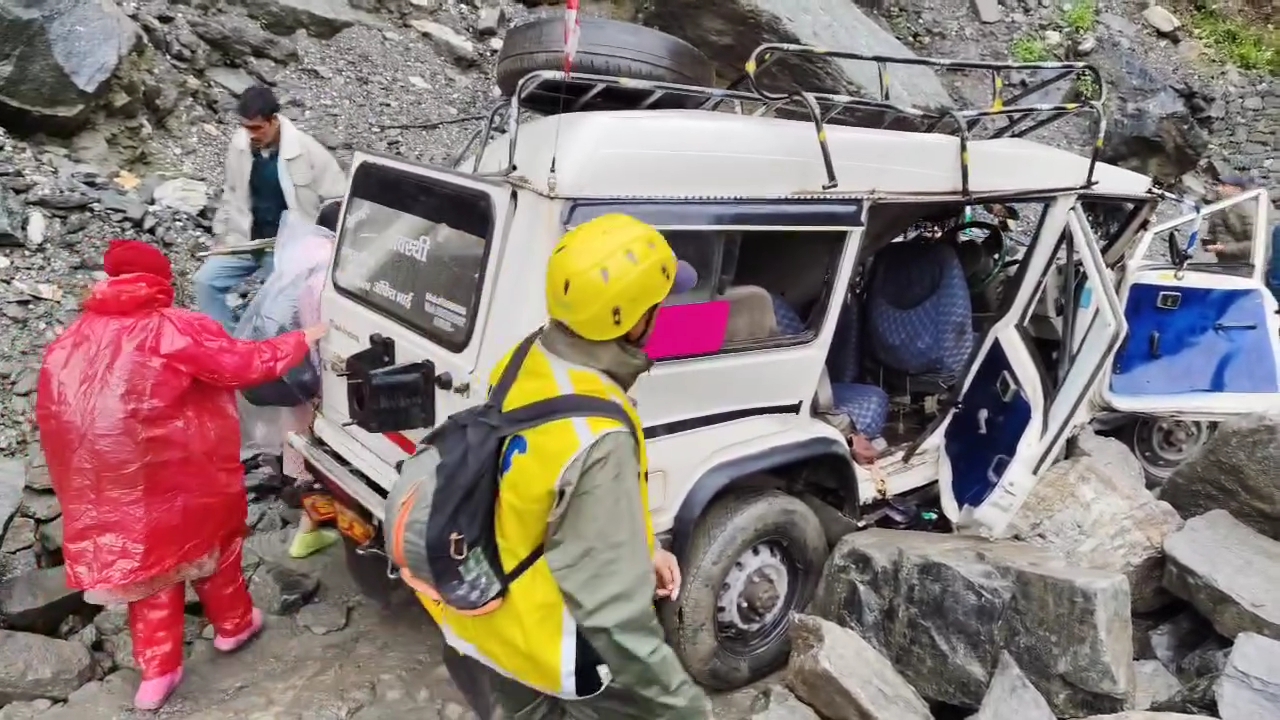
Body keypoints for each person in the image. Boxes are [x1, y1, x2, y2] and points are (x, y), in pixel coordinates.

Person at [429, 214, 712, 720]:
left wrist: (642, 547)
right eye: (659, 305)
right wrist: (683, 706)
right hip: (545, 647)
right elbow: (612, 615)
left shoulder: (525, 357)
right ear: (634, 322)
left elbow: (544, 493)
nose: (666, 313)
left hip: (475, 610)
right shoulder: (599, 433)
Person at [35, 240, 328, 711]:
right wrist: (302, 338)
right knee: (214, 548)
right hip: (185, 475)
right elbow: (242, 365)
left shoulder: (71, 339)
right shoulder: (174, 327)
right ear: (160, 280)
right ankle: (234, 627)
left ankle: (158, 673)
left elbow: (55, 414)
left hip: (111, 486)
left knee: (152, 573)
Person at [196, 85, 347, 330]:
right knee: (205, 281)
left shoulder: (307, 150)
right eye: (246, 127)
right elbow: (231, 193)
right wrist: (221, 236)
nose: (251, 134)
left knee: (274, 311)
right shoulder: (239, 146)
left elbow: (338, 199)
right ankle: (225, 339)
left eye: (257, 128)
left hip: (286, 249)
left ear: (274, 120)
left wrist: (322, 248)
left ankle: (265, 347)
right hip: (245, 241)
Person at [276, 200, 345, 559]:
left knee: (304, 450)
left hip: (294, 373)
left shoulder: (296, 259)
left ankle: (308, 518)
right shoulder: (330, 271)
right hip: (319, 380)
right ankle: (309, 532)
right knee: (323, 459)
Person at [1203, 174, 1271, 263]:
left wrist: (1225, 248)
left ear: (1238, 189)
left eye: (1224, 186)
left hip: (1246, 264)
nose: (1219, 189)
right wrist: (1209, 241)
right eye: (1219, 185)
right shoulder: (1219, 208)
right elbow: (1214, 233)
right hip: (1225, 262)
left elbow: (1258, 244)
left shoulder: (1247, 209)